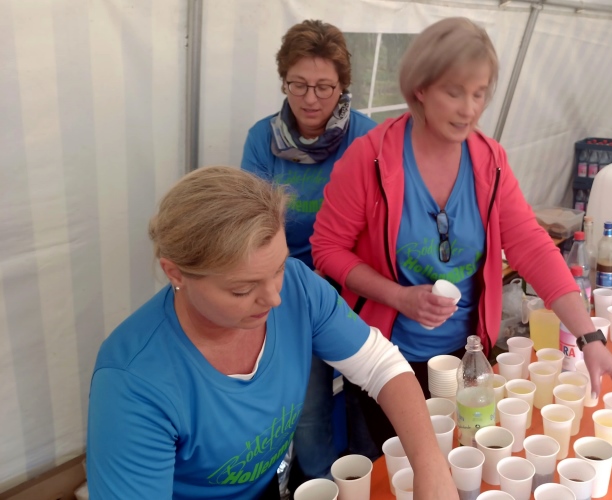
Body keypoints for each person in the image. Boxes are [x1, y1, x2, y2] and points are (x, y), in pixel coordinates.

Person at [310, 17, 612, 446]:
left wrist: (590, 339)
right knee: (404, 464)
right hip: (386, 359)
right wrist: (399, 297)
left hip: (467, 356)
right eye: (454, 92)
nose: (469, 109)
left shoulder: (490, 162)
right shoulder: (370, 159)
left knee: (464, 455)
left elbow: (531, 247)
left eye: (479, 93)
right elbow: (327, 249)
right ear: (420, 88)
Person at [86, 166, 458, 500]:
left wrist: (431, 468)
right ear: (176, 273)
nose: (275, 298)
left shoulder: (298, 287)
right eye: (242, 289)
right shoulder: (133, 380)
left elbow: (380, 366)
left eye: (278, 267)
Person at [240, 20, 378, 484]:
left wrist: (341, 273)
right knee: (309, 404)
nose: (311, 98)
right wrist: (292, 280)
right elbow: (253, 223)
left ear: (342, 87)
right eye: (298, 84)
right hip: (288, 290)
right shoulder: (262, 139)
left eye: (324, 87)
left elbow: (382, 225)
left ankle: (368, 477)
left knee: (365, 391)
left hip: (355, 285)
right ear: (284, 81)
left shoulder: (367, 138)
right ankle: (321, 483)